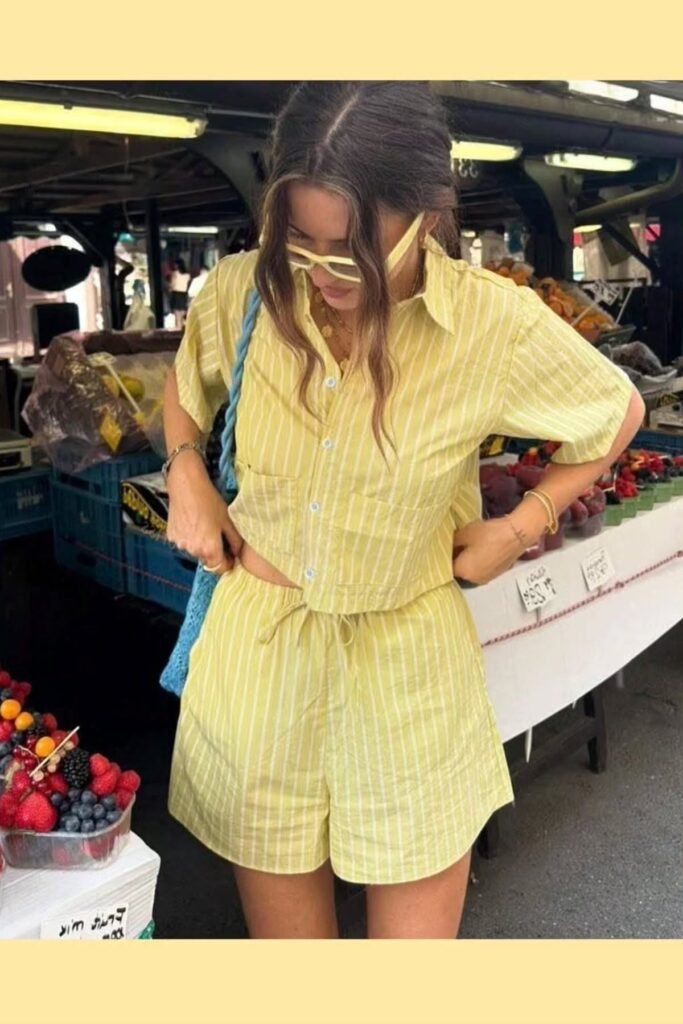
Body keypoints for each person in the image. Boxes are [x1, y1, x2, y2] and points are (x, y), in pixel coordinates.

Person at [162, 81, 644, 940]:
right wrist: (187, 468)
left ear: (425, 213)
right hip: (259, 661)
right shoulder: (242, 291)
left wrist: (521, 523)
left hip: (407, 673)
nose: (321, 274)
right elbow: (184, 392)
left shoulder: (491, 322)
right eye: (299, 242)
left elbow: (617, 415)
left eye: (350, 249)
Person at [168, 258, 191, 329]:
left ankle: (178, 333)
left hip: (176, 295)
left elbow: (172, 285)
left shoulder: (175, 273)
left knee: (177, 317)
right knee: (183, 317)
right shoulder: (188, 275)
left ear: (177, 265)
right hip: (184, 295)